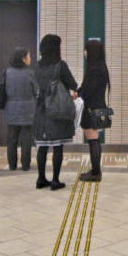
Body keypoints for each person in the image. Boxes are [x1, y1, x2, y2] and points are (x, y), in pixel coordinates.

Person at [33, 34, 78, 191]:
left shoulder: (36, 67)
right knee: (58, 146)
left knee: (42, 146)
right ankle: (55, 180)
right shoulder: (60, 66)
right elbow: (73, 84)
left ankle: (40, 179)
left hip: (40, 111)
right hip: (57, 111)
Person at [78, 39, 110, 182]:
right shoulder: (101, 67)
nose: (84, 53)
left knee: (93, 140)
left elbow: (88, 90)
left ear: (91, 52)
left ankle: (96, 173)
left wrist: (79, 94)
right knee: (95, 139)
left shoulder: (94, 70)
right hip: (98, 107)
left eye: (86, 50)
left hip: (92, 108)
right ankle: (95, 170)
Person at [4, 47, 39, 171]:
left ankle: (12, 165)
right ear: (23, 59)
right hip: (27, 110)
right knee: (26, 139)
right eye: (28, 56)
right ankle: (25, 165)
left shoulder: (7, 72)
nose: (30, 59)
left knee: (12, 139)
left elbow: (3, 90)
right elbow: (36, 90)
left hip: (11, 109)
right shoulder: (30, 73)